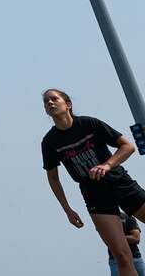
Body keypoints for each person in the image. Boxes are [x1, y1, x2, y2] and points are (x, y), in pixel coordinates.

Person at [41, 88, 145, 276]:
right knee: (121, 255)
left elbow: (128, 146)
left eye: (54, 99)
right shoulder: (49, 141)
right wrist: (68, 209)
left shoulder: (89, 124)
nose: (49, 103)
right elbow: (53, 178)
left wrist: (107, 165)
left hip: (120, 183)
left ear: (68, 105)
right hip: (95, 196)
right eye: (46, 101)